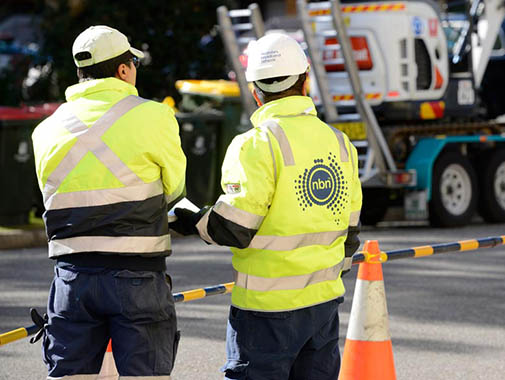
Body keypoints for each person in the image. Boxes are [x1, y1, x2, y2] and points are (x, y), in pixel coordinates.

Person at [170, 33, 362, 379]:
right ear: (306, 81)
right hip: (323, 308)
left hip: (265, 312)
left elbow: (235, 227)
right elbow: (350, 231)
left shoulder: (255, 144)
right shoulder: (341, 144)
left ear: (256, 91)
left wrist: (193, 220)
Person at [32, 25, 186, 379]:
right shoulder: (154, 116)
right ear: (123, 69)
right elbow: (174, 188)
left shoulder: (45, 129)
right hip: (138, 276)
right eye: (133, 63)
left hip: (72, 279)